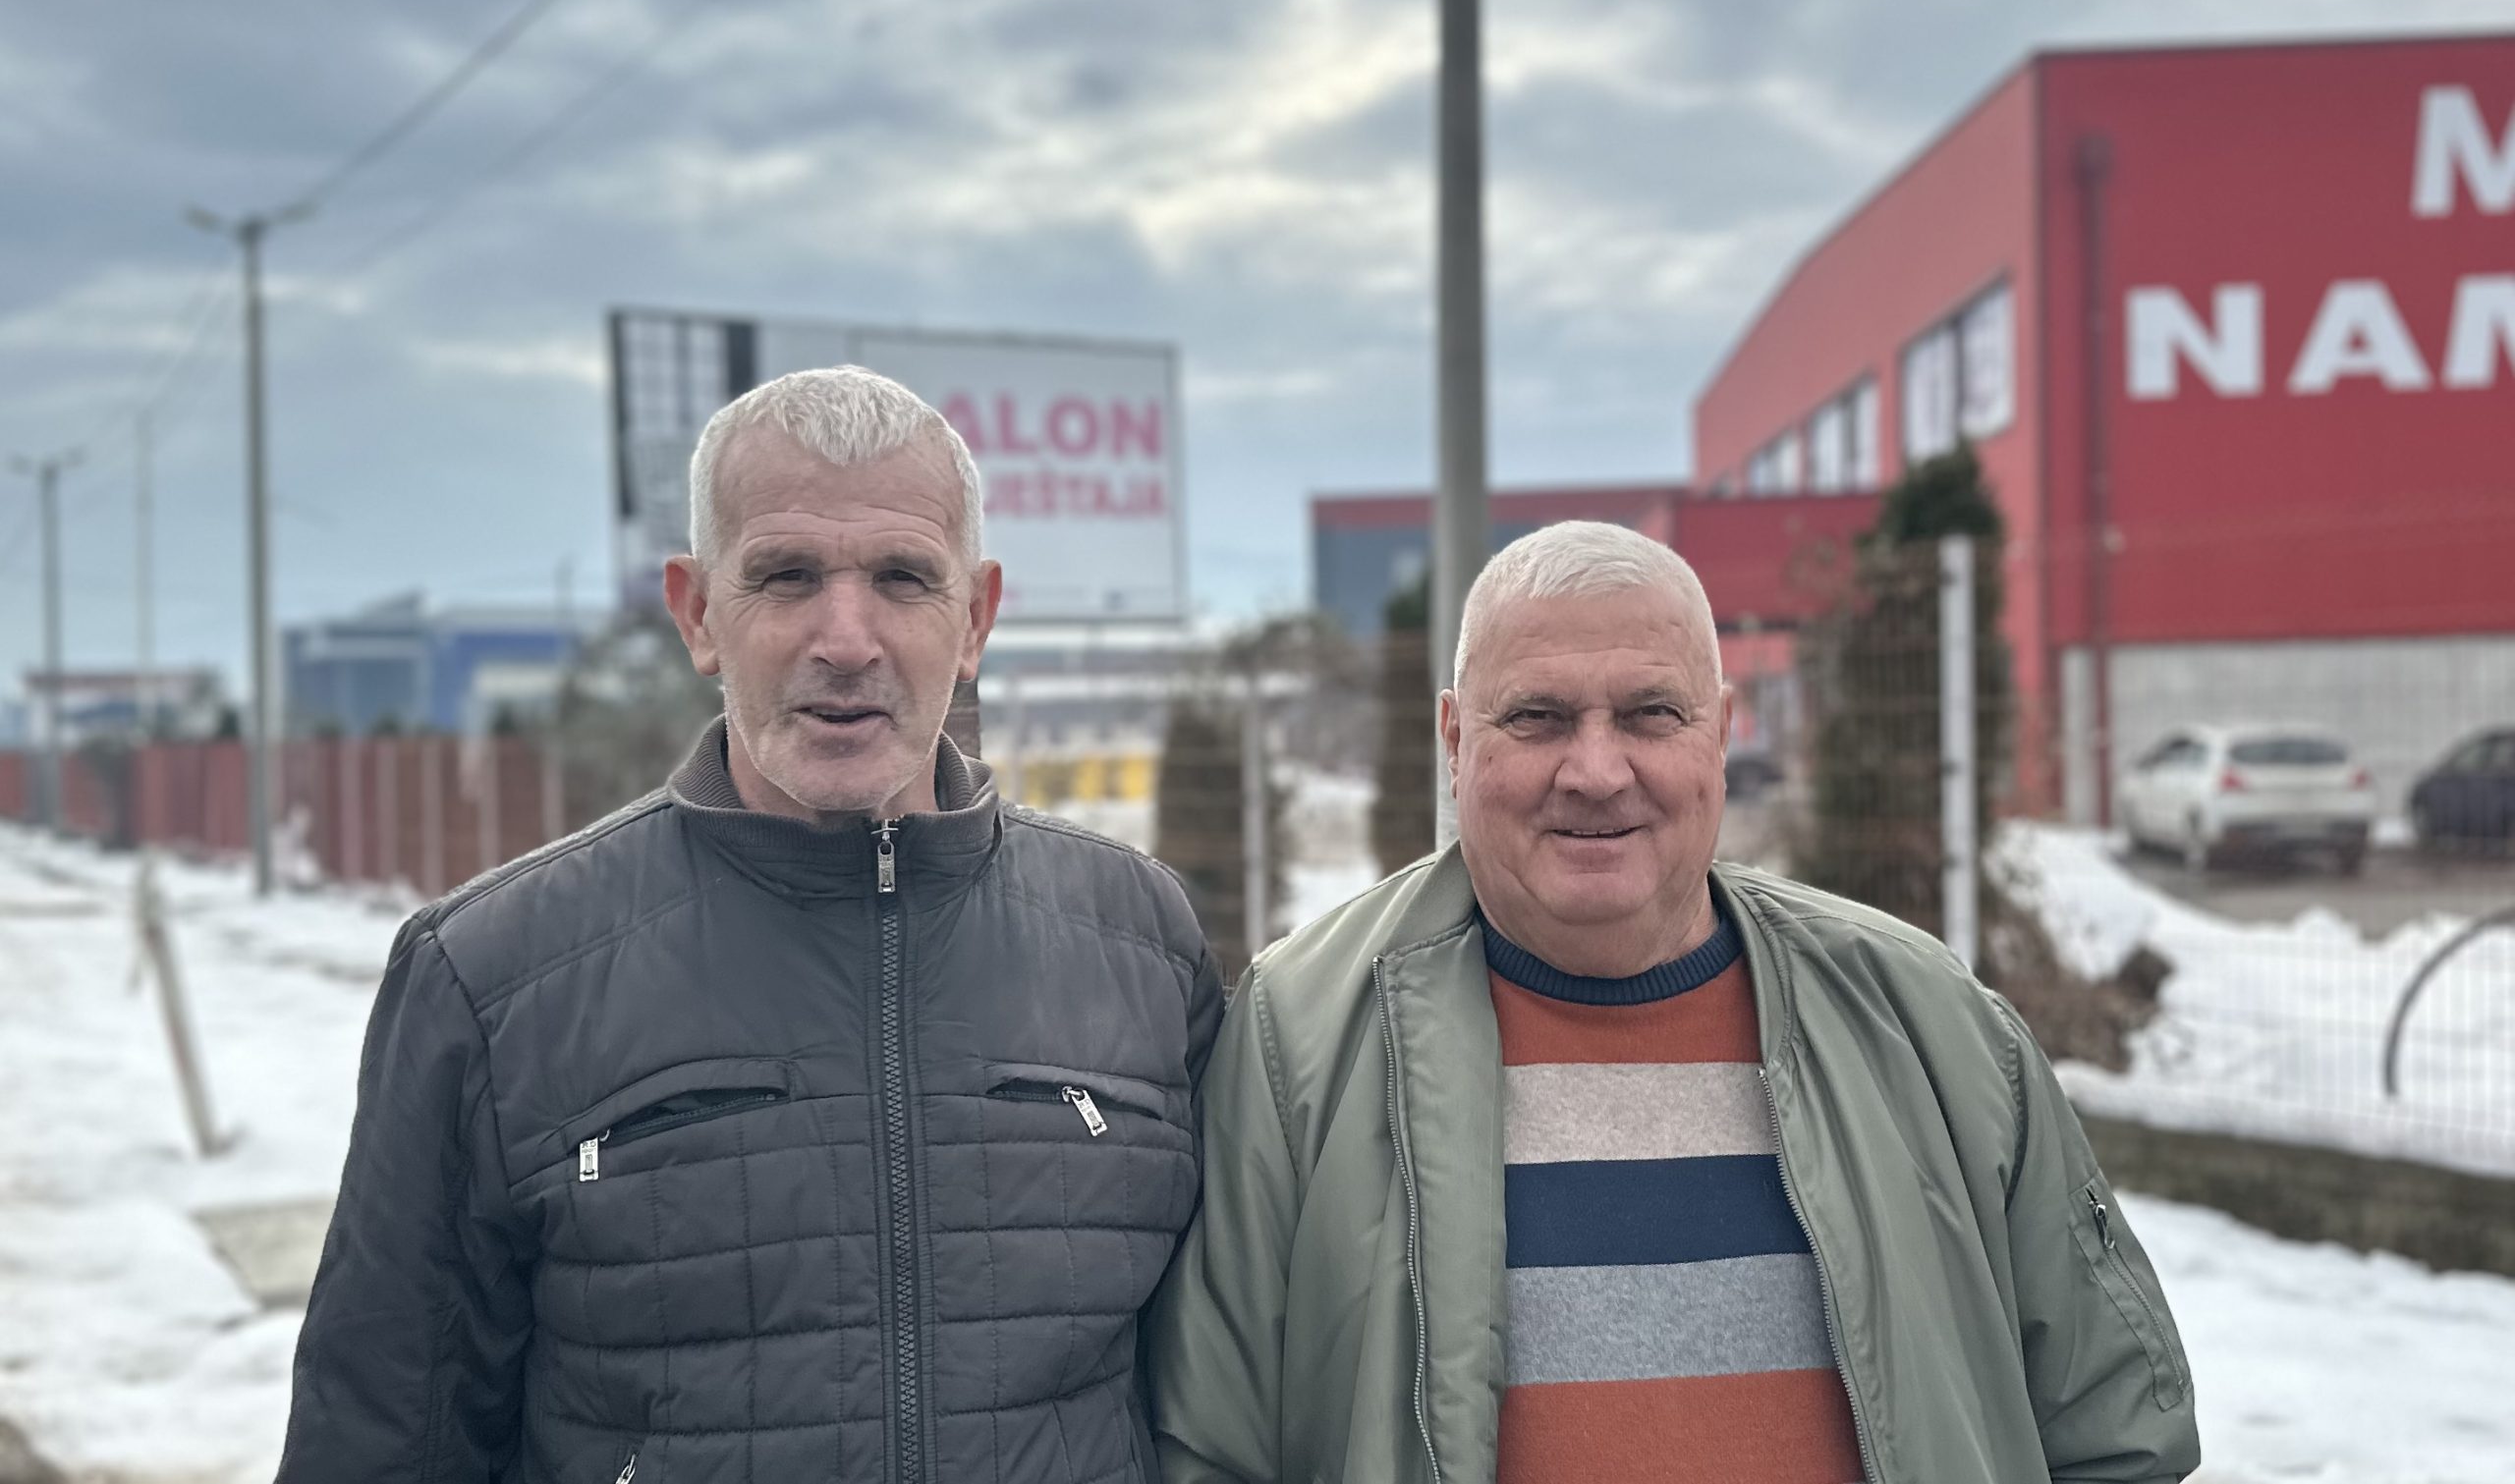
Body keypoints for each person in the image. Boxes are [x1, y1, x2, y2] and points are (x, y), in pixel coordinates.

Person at [279, 366, 1223, 1483]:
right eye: (786, 575)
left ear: (974, 618)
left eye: (903, 577)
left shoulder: (1141, 943)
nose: (846, 638)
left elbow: (1226, 1398)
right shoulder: (489, 976)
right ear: (697, 614)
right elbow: (382, 1438)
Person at [1146, 521, 2199, 1484]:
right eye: (1538, 717)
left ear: (1720, 733)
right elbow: (1208, 1448)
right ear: (1455, 740)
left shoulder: (1931, 1023)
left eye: (1651, 713)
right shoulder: (1301, 1039)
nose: (1597, 770)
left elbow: (2116, 1434)